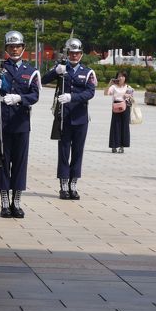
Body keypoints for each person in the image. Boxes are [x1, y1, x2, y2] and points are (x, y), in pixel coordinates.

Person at [0, 30, 41, 218]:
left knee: (19, 163)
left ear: (24, 48)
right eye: (11, 46)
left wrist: (20, 98)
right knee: (3, 162)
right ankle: (4, 202)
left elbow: (35, 95)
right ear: (6, 48)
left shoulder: (31, 70)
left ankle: (16, 202)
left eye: (18, 46)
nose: (15, 49)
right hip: (3, 121)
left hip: (21, 122)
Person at [42, 37, 96, 200]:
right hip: (64, 118)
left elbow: (90, 92)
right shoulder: (61, 69)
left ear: (81, 54)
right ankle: (63, 184)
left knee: (78, 151)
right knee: (64, 151)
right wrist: (55, 71)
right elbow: (42, 81)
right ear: (67, 54)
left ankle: (74, 183)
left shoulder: (87, 72)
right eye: (71, 53)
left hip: (80, 117)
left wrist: (72, 97)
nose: (74, 56)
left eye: (77, 53)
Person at [104, 70, 133, 154]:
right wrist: (110, 83)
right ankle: (114, 146)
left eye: (122, 76)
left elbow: (131, 99)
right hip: (116, 106)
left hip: (125, 107)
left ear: (125, 78)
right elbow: (106, 93)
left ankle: (122, 146)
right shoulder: (113, 87)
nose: (120, 78)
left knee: (124, 126)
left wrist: (128, 96)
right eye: (119, 76)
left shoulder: (128, 87)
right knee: (115, 126)